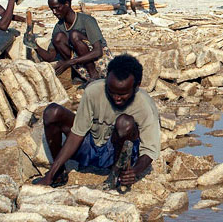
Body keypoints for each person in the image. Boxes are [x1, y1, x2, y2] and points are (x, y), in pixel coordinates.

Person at [33, 54, 161, 189]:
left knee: (125, 123)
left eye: (123, 94)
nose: (117, 98)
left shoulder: (144, 105)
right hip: (91, 147)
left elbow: (150, 150)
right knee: (52, 112)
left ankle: (115, 175)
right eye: (112, 92)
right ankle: (59, 174)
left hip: (116, 154)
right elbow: (77, 133)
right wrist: (51, 173)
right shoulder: (93, 91)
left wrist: (134, 172)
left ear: (136, 86)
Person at [29, 0, 107, 82]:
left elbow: (98, 51)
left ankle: (94, 75)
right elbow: (51, 56)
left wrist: (69, 62)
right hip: (79, 65)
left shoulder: (86, 20)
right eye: (52, 9)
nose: (54, 12)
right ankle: (78, 74)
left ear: (67, 4)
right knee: (58, 38)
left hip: (100, 63)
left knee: (74, 35)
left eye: (57, 8)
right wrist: (34, 45)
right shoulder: (59, 27)